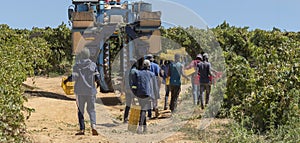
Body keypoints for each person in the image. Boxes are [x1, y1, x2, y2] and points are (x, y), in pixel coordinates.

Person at [72, 47, 100, 136]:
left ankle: (82, 129)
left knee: (81, 110)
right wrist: (97, 85)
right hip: (91, 91)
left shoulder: (76, 65)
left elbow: (74, 77)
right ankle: (93, 126)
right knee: (91, 109)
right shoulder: (93, 65)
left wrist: (67, 80)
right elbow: (97, 78)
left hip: (80, 92)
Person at [131, 59, 158, 134]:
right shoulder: (151, 74)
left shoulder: (138, 73)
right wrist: (156, 96)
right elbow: (155, 87)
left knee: (143, 108)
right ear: (149, 66)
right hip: (147, 94)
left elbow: (134, 85)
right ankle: (140, 127)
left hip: (139, 93)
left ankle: (145, 128)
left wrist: (134, 93)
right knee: (143, 110)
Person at [145, 54, 160, 118]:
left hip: (147, 81)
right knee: (155, 93)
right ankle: (155, 106)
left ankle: (149, 109)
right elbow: (157, 74)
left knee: (149, 94)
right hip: (154, 80)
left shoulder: (145, 65)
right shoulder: (156, 66)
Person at [123, 59, 138, 123]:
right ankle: (134, 119)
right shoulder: (135, 71)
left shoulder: (126, 71)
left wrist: (123, 89)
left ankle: (125, 118)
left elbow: (123, 81)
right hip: (133, 90)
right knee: (135, 104)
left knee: (128, 104)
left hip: (127, 90)